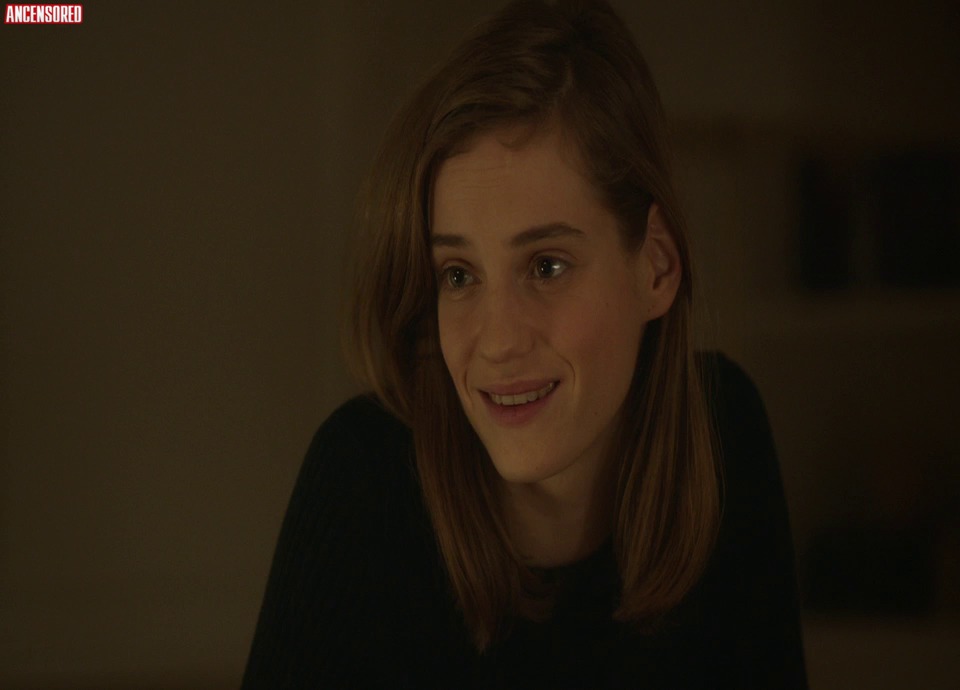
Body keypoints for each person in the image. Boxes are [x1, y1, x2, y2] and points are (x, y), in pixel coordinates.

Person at [242, 0, 807, 687]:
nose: (500, 341)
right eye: (458, 274)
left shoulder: (722, 431)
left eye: (546, 266)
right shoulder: (364, 483)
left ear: (656, 267)